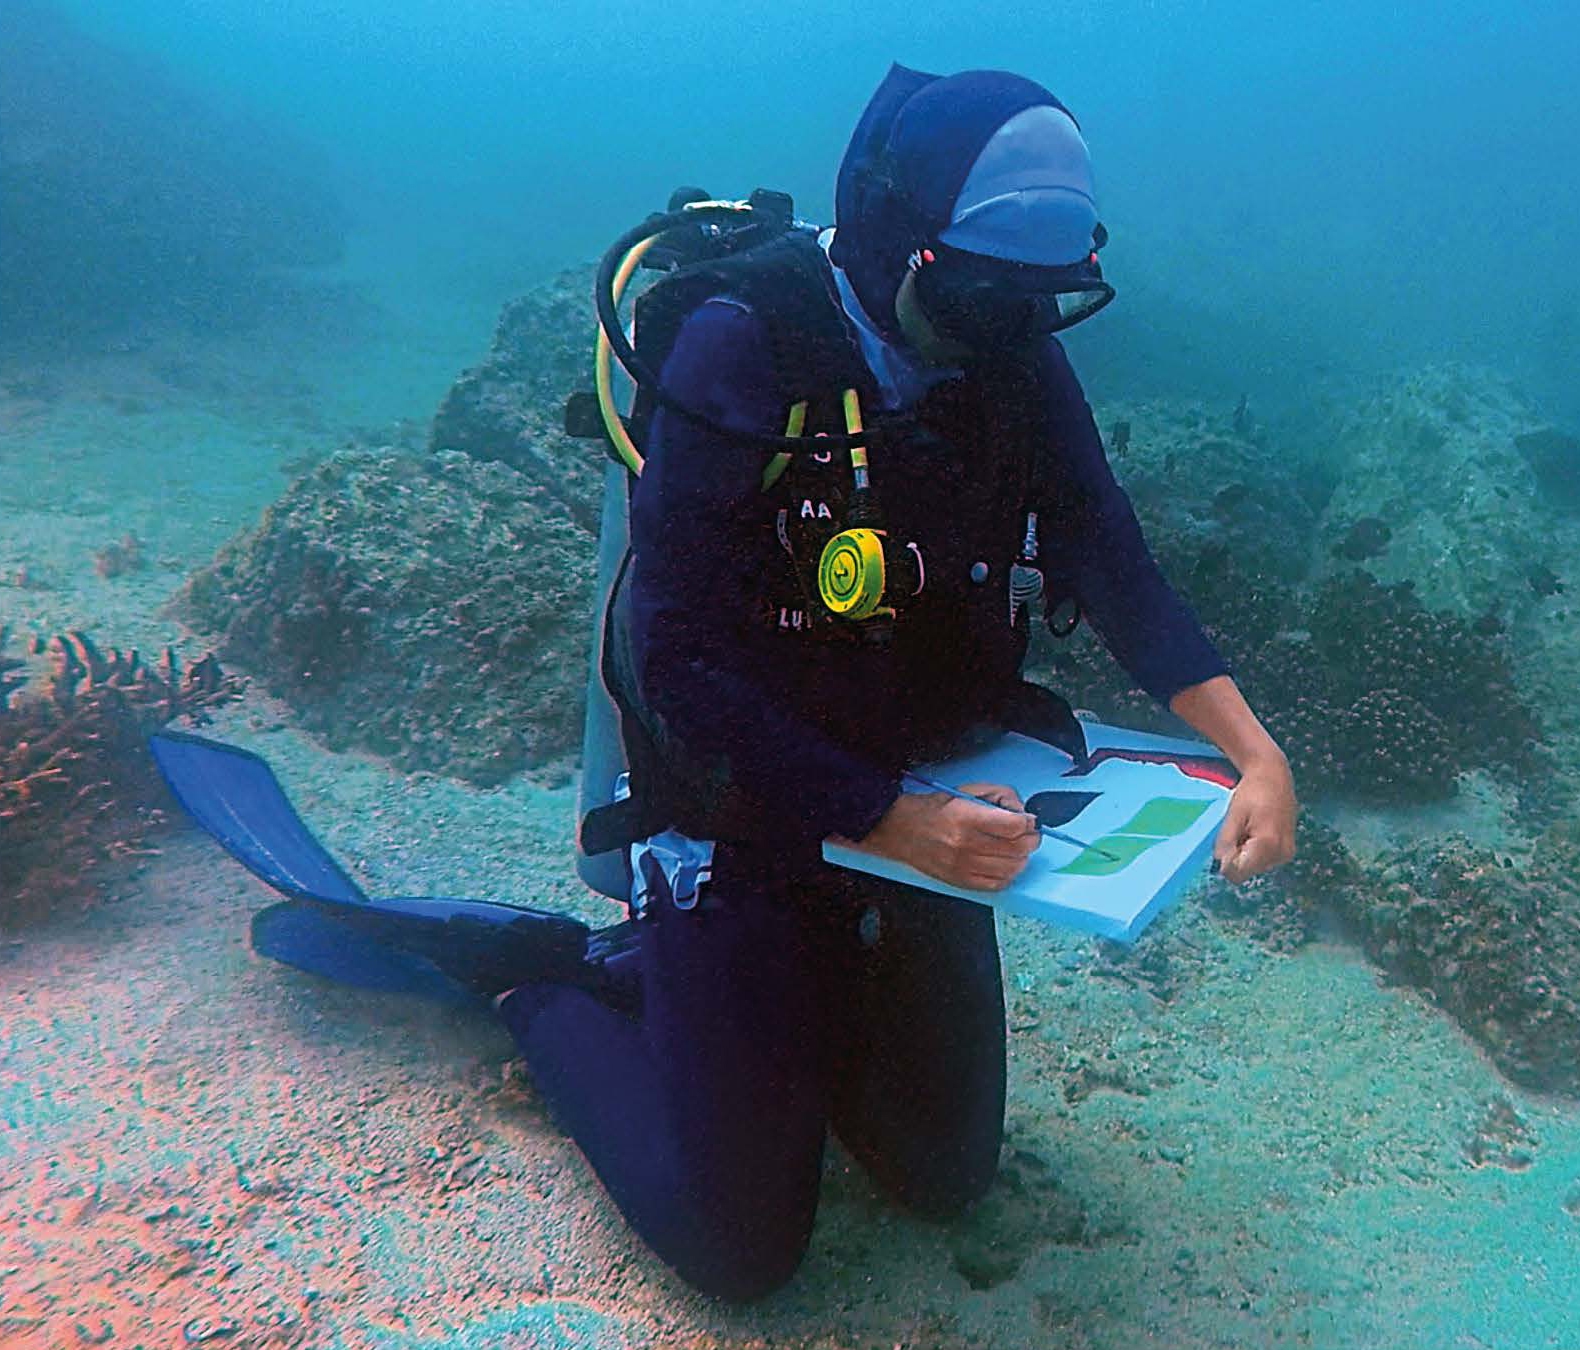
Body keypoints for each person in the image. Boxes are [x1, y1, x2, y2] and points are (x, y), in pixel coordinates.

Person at [152, 63, 1297, 1306]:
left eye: (1041, 303)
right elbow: (678, 663)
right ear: (900, 244)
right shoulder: (742, 344)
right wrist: (890, 818)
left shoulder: (1004, 342)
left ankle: (760, 1006)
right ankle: (554, 979)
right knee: (741, 1248)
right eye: (980, 297)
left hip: (911, 805)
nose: (1009, 332)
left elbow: (1107, 554)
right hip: (744, 810)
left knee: (943, 1173)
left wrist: (1256, 752)